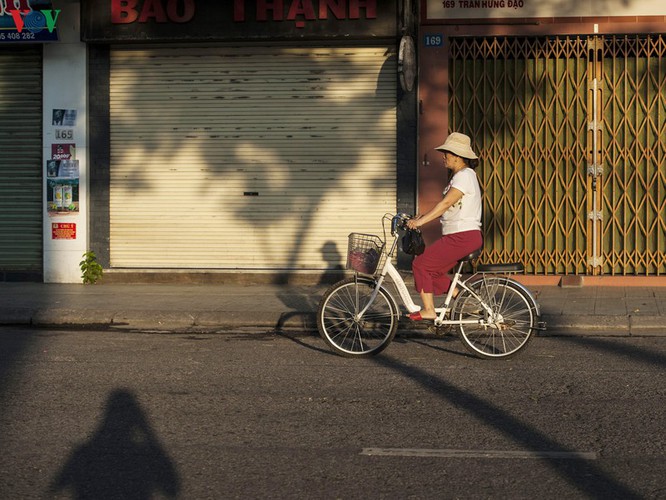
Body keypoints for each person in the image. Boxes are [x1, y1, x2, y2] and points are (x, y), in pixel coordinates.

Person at [406, 132, 483, 320]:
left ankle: (429, 310)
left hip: (462, 236)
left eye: (446, 153)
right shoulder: (460, 176)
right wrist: (420, 217)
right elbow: (450, 208)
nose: (443, 156)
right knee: (432, 273)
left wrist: (420, 222)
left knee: (420, 265)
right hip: (459, 236)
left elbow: (446, 204)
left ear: (457, 156)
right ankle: (467, 301)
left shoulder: (464, 175)